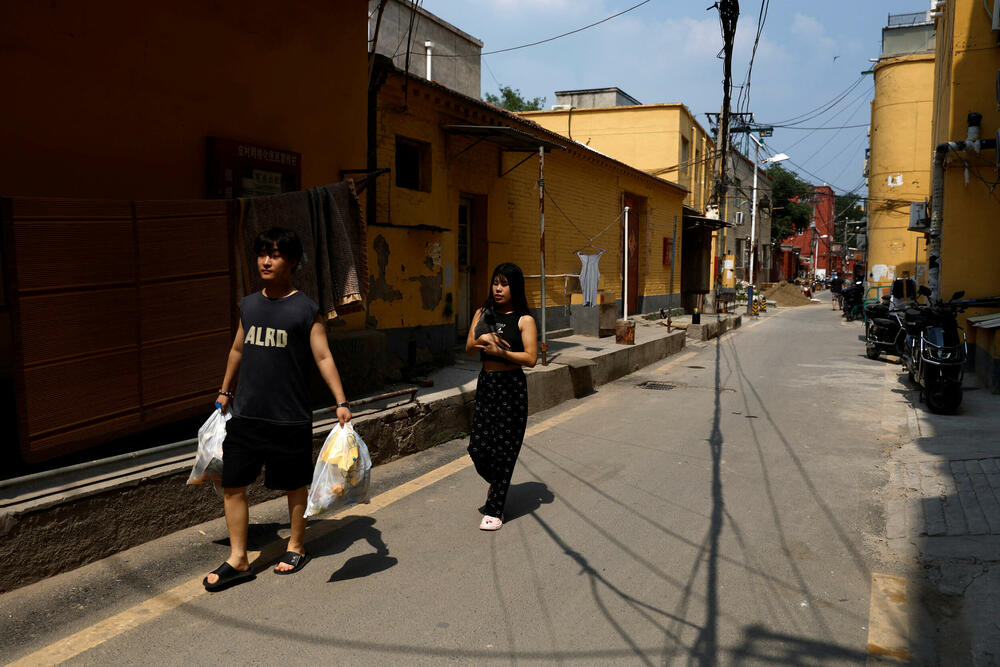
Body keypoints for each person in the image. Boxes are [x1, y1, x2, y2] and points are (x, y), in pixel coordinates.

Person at [204, 227, 352, 592]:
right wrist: (225, 390)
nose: (266, 261)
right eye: (262, 254)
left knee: (293, 485)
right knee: (234, 484)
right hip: (247, 415)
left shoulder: (305, 309)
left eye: (276, 254)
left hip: (289, 417)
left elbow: (322, 356)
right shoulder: (249, 305)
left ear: (293, 262)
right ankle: (238, 559)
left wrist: (341, 401)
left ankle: (296, 545)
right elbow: (237, 350)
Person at [464, 263, 538, 531]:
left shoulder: (524, 319)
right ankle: (498, 483)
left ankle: (495, 508)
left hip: (511, 386)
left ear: (514, 288)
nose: (498, 288)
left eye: (504, 284)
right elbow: (470, 347)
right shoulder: (483, 313)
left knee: (506, 448)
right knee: (479, 447)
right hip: (487, 384)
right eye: (496, 283)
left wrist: (502, 352)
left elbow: (530, 359)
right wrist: (485, 337)